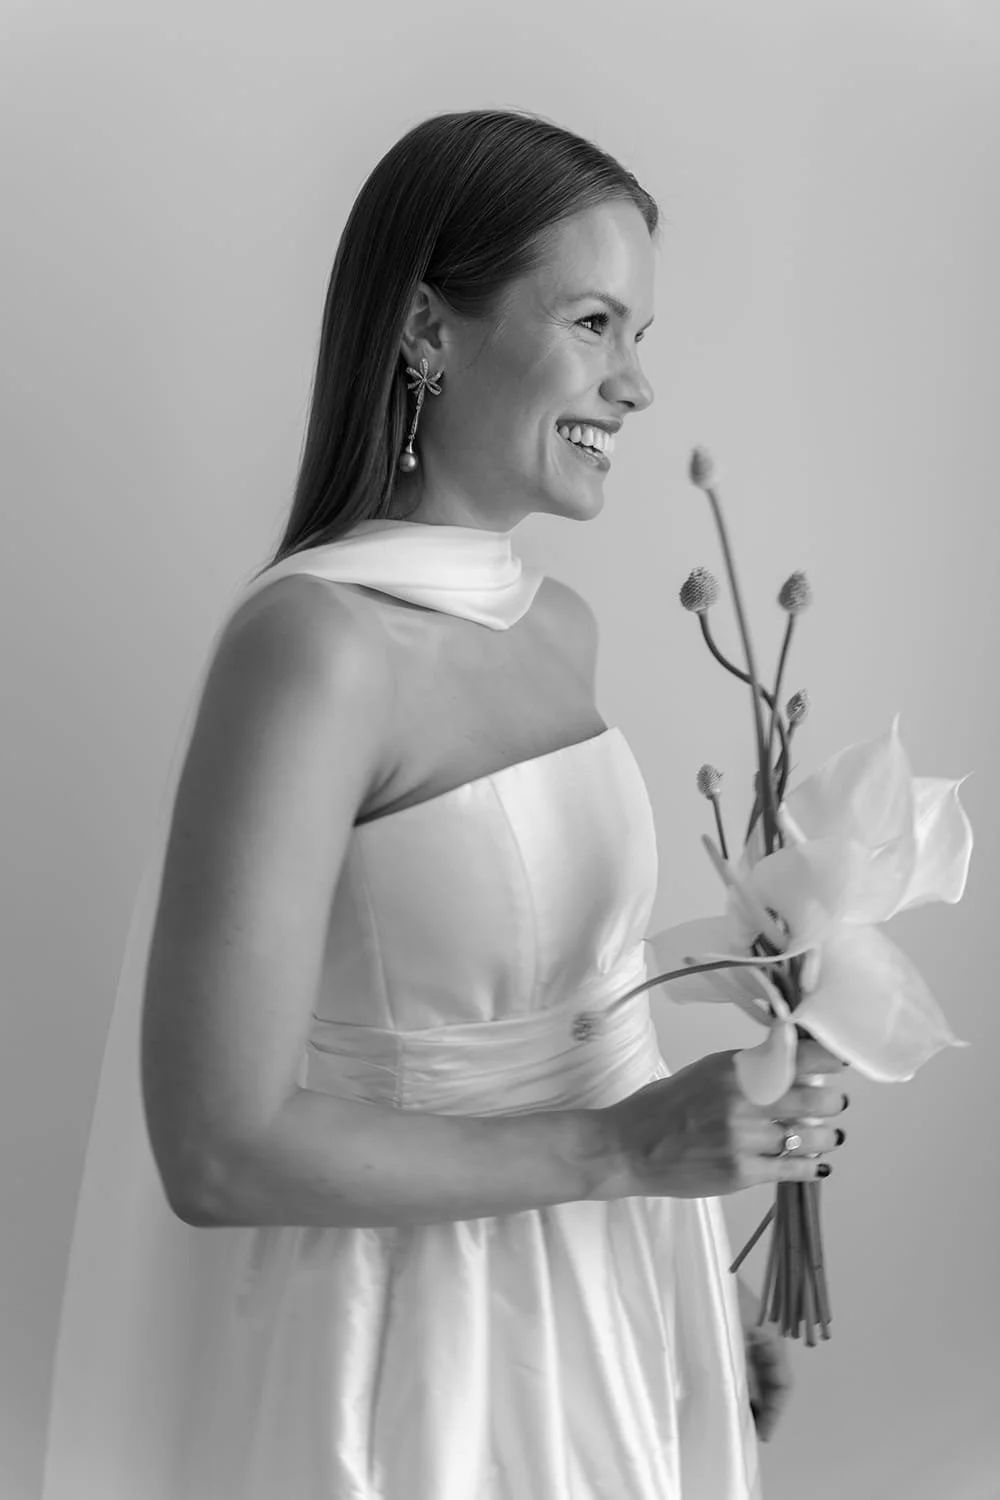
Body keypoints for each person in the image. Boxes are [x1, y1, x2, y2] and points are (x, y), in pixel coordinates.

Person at [41, 108, 848, 1500]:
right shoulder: (315, 652)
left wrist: (739, 1042)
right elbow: (216, 1147)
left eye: (641, 331)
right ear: (427, 328)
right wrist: (628, 1150)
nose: (637, 384)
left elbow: (522, 1001)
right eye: (596, 321)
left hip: (610, 1293)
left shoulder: (562, 628)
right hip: (426, 1347)